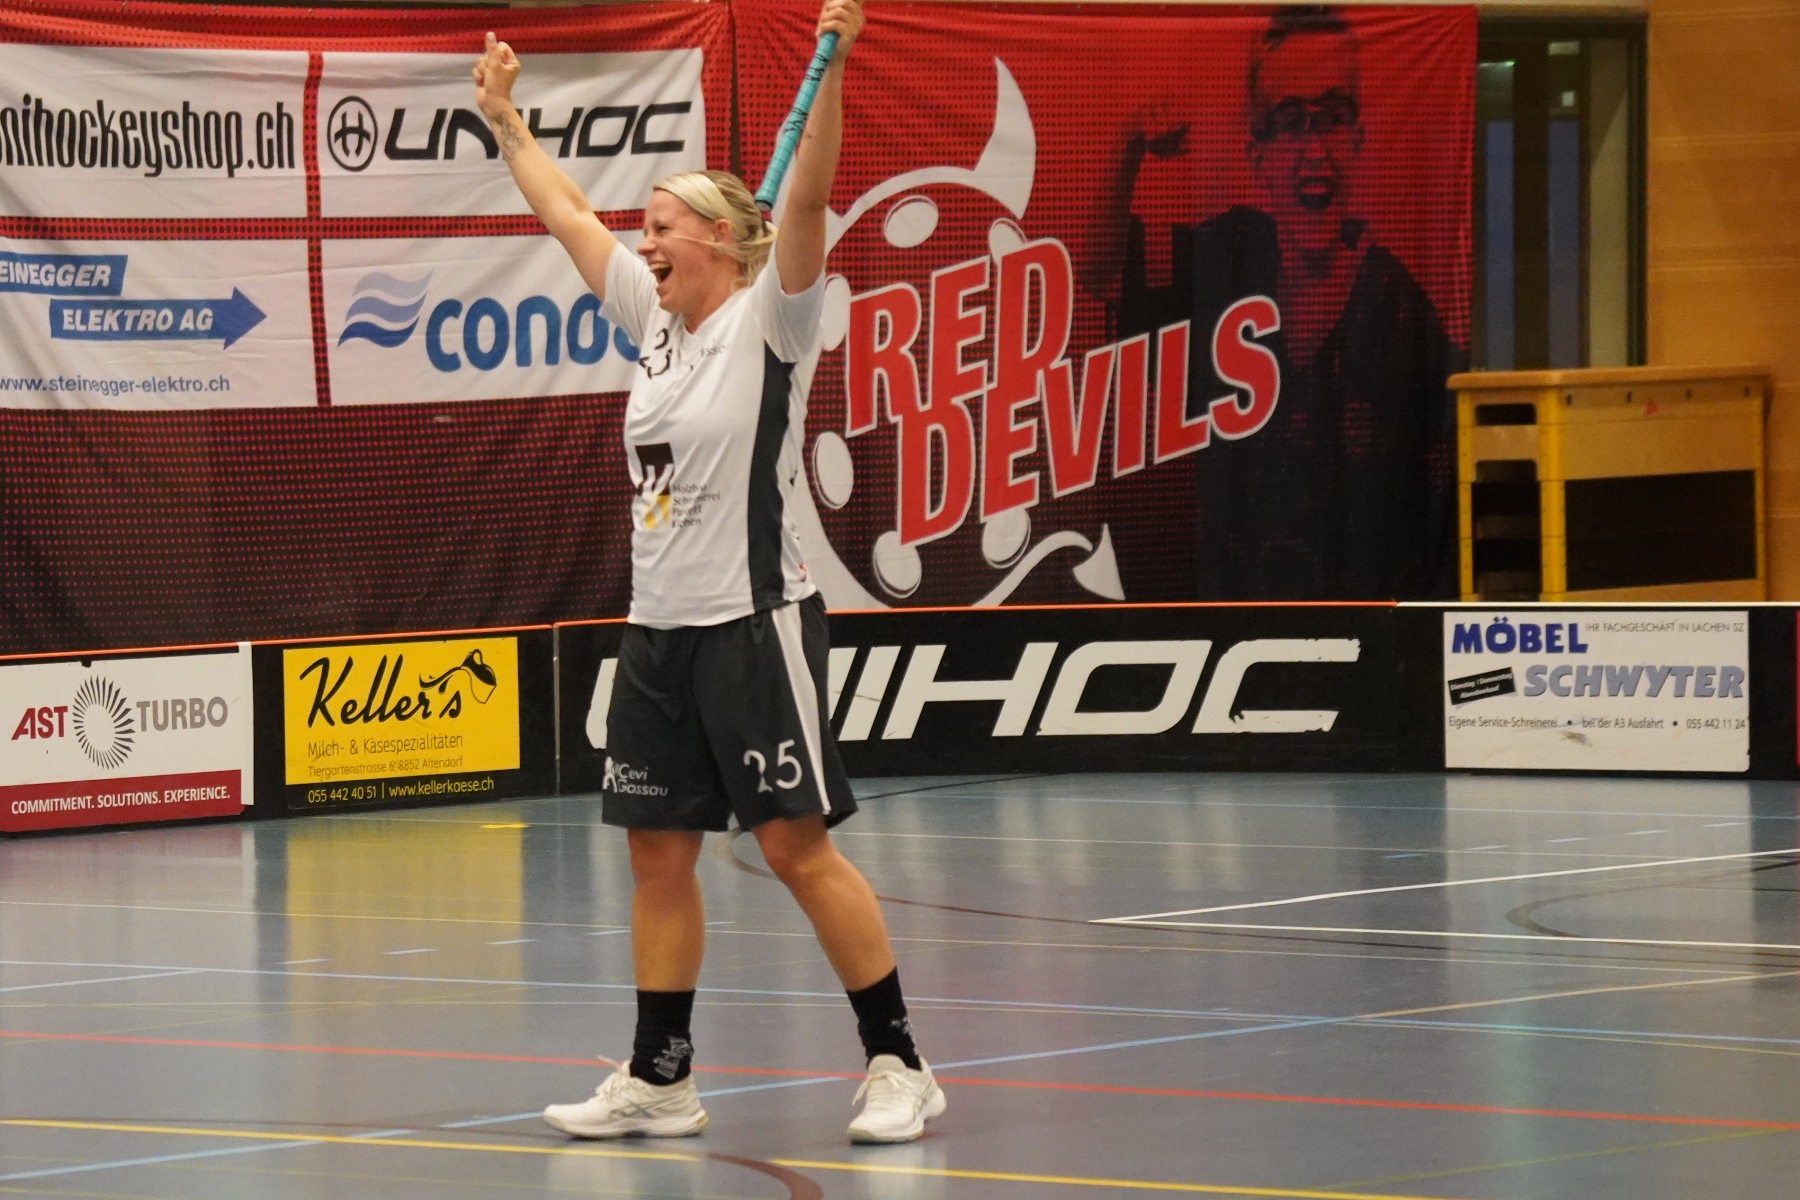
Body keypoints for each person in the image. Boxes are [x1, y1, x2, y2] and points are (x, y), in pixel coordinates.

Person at [472, 0, 945, 1145]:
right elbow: (567, 214)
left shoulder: (772, 320)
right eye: (643, 228)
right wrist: (505, 124)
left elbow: (812, 198)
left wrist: (837, 65)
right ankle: (661, 1078)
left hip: (755, 621)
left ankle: (900, 1063)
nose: (642, 243)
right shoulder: (654, 321)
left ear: (724, 241)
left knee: (792, 847)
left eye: (663, 226)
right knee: (657, 853)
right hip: (659, 631)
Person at [1090, 6, 1461, 601]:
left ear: (1358, 141)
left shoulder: (1397, 306)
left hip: (1363, 628)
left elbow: (1460, 456)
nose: (1314, 149)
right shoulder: (1229, 256)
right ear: (1257, 157)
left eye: (1333, 117)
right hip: (1232, 617)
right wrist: (1127, 144)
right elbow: (1101, 273)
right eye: (1290, 122)